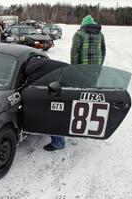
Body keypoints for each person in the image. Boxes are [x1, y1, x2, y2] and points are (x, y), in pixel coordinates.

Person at [44, 15, 106, 152]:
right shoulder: (100, 34)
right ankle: (86, 124)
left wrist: (74, 70)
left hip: (81, 71)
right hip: (94, 72)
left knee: (76, 98)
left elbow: (74, 54)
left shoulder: (79, 34)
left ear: (83, 24)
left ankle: (74, 125)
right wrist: (98, 66)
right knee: (88, 97)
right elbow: (103, 51)